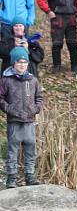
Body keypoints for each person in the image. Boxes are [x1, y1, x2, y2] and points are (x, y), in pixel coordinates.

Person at [0, 48, 42, 188]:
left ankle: (30, 176)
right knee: (12, 152)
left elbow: (39, 98)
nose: (22, 65)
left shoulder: (33, 80)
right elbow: (1, 98)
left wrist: (35, 109)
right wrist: (10, 109)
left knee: (31, 151)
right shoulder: (6, 80)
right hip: (14, 121)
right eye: (19, 62)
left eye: (24, 62)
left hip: (29, 121)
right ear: (13, 63)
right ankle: (11, 178)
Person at [36, 0, 77, 74]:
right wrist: (48, 11)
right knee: (57, 43)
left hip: (71, 18)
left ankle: (74, 66)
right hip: (57, 18)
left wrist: (76, 13)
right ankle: (57, 66)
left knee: (72, 43)